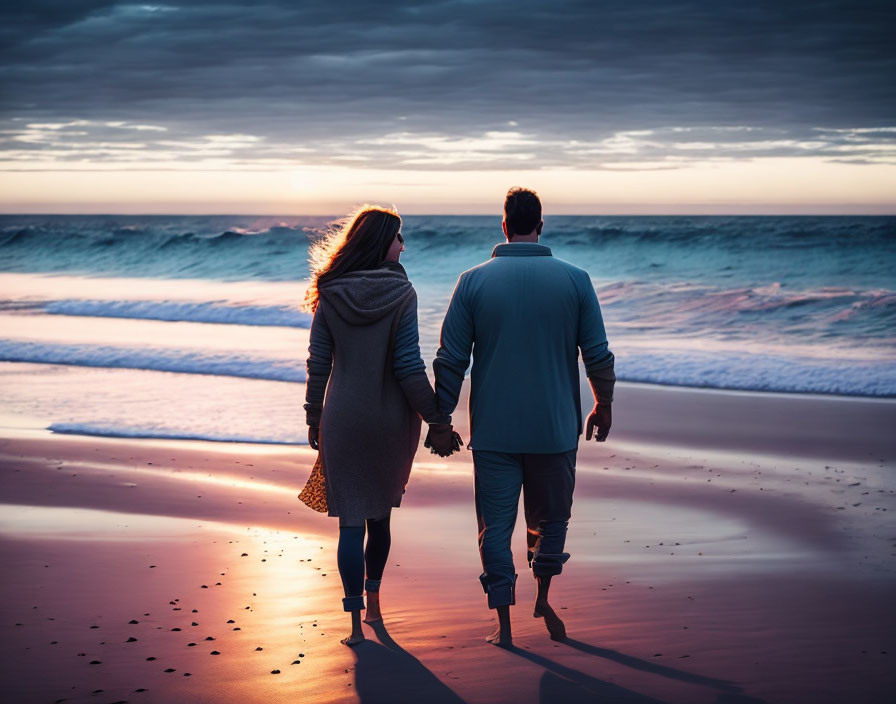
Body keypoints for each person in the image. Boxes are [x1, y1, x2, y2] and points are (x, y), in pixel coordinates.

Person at [433, 187, 615, 648]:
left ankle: (505, 627)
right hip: (554, 430)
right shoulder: (576, 279)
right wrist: (603, 403)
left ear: (504, 225)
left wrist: (440, 418)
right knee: (552, 522)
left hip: (494, 431)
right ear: (541, 224)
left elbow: (451, 360)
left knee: (495, 528)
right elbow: (597, 354)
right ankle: (544, 597)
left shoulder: (472, 281)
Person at [303, 204, 461, 646]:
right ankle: (374, 605)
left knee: (350, 521)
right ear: (381, 243)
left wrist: (314, 415)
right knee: (381, 517)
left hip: (343, 418)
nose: (403, 246)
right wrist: (437, 418)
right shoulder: (401, 294)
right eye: (398, 238)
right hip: (390, 419)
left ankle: (354, 624)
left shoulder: (330, 291)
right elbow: (409, 366)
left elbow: (319, 363)